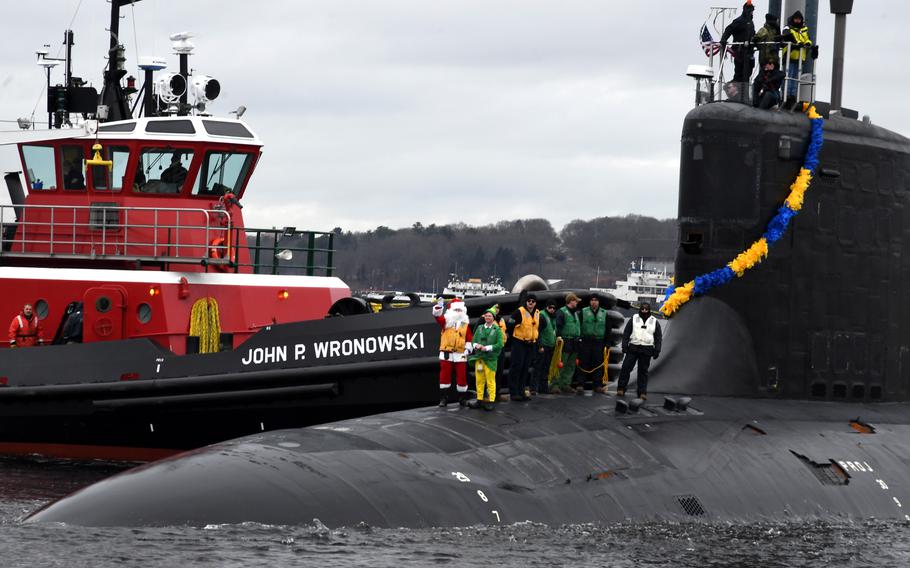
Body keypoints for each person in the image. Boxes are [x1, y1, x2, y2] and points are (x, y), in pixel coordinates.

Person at [432, 298, 473, 407]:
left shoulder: (465, 324)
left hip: (460, 353)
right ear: (451, 310)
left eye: (460, 310)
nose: (458, 312)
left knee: (462, 376)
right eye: (456, 310)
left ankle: (462, 398)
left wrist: (468, 348)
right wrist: (439, 307)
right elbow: (437, 317)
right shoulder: (446, 321)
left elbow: (469, 337)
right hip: (447, 352)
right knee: (444, 376)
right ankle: (443, 398)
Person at [617, 302, 662, 400]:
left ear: (649, 310)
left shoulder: (654, 321)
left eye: (646, 309)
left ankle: (642, 392)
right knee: (626, 368)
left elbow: (658, 337)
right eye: (643, 309)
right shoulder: (634, 318)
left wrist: (657, 350)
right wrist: (624, 345)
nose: (644, 311)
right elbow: (626, 333)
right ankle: (621, 388)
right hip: (633, 347)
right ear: (640, 309)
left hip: (647, 349)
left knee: (643, 372)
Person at [467, 306, 504, 410]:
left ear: (493, 318)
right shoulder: (479, 328)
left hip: (490, 360)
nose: (487, 317)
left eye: (490, 316)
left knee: (490, 381)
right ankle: (479, 400)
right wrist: (476, 346)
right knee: (479, 380)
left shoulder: (497, 330)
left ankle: (491, 400)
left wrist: (487, 348)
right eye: (486, 316)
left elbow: (500, 344)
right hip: (479, 359)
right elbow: (473, 341)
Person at [575, 293, 610, 394]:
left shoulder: (604, 313)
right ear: (590, 302)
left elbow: (608, 329)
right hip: (586, 341)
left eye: (596, 300)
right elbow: (578, 326)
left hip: (599, 342)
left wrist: (607, 342)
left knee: (598, 364)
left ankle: (597, 385)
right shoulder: (583, 312)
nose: (594, 302)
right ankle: (580, 384)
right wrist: (579, 338)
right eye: (592, 300)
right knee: (583, 363)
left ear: (598, 302)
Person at [508, 293, 540, 401]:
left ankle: (521, 391)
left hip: (530, 344)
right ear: (526, 302)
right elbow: (510, 325)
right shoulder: (519, 312)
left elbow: (536, 329)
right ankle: (514, 392)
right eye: (529, 301)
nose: (531, 303)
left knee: (525, 368)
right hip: (519, 343)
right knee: (516, 367)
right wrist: (514, 340)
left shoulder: (537, 313)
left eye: (533, 301)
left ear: (535, 303)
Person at [720, 2, 756, 89]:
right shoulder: (739, 21)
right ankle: (735, 92)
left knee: (747, 74)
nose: (752, 13)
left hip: (749, 53)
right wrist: (724, 39)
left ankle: (744, 94)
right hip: (740, 52)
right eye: (751, 11)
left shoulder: (750, 22)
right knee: (739, 74)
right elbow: (729, 29)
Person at [781, 10, 814, 105]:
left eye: (799, 19)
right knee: (788, 76)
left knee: (795, 77)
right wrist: (796, 43)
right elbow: (787, 37)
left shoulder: (804, 29)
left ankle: (793, 96)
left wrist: (808, 43)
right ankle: (786, 95)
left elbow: (807, 39)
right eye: (796, 19)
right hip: (790, 56)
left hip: (800, 57)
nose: (797, 21)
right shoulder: (788, 28)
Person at [551, 293, 581, 394]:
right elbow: (558, 326)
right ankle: (555, 384)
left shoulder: (576, 313)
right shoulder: (561, 312)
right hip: (565, 340)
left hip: (575, 341)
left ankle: (565, 384)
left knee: (571, 365)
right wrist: (559, 338)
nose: (577, 303)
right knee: (560, 364)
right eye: (575, 301)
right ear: (571, 301)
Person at [532, 299, 557, 395]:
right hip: (543, 346)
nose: (552, 309)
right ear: (546, 307)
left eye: (553, 308)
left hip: (550, 346)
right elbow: (537, 332)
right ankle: (534, 388)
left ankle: (544, 388)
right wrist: (540, 345)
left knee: (546, 368)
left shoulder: (552, 317)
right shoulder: (542, 316)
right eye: (550, 307)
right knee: (538, 367)